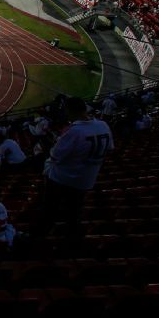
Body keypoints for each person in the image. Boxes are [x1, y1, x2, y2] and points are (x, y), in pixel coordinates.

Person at [36, 97, 114, 240]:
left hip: (63, 178)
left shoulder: (75, 132)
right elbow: (109, 148)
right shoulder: (103, 125)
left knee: (49, 210)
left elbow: (55, 156)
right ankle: (74, 240)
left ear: (69, 111)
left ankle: (39, 238)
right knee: (74, 213)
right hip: (86, 180)